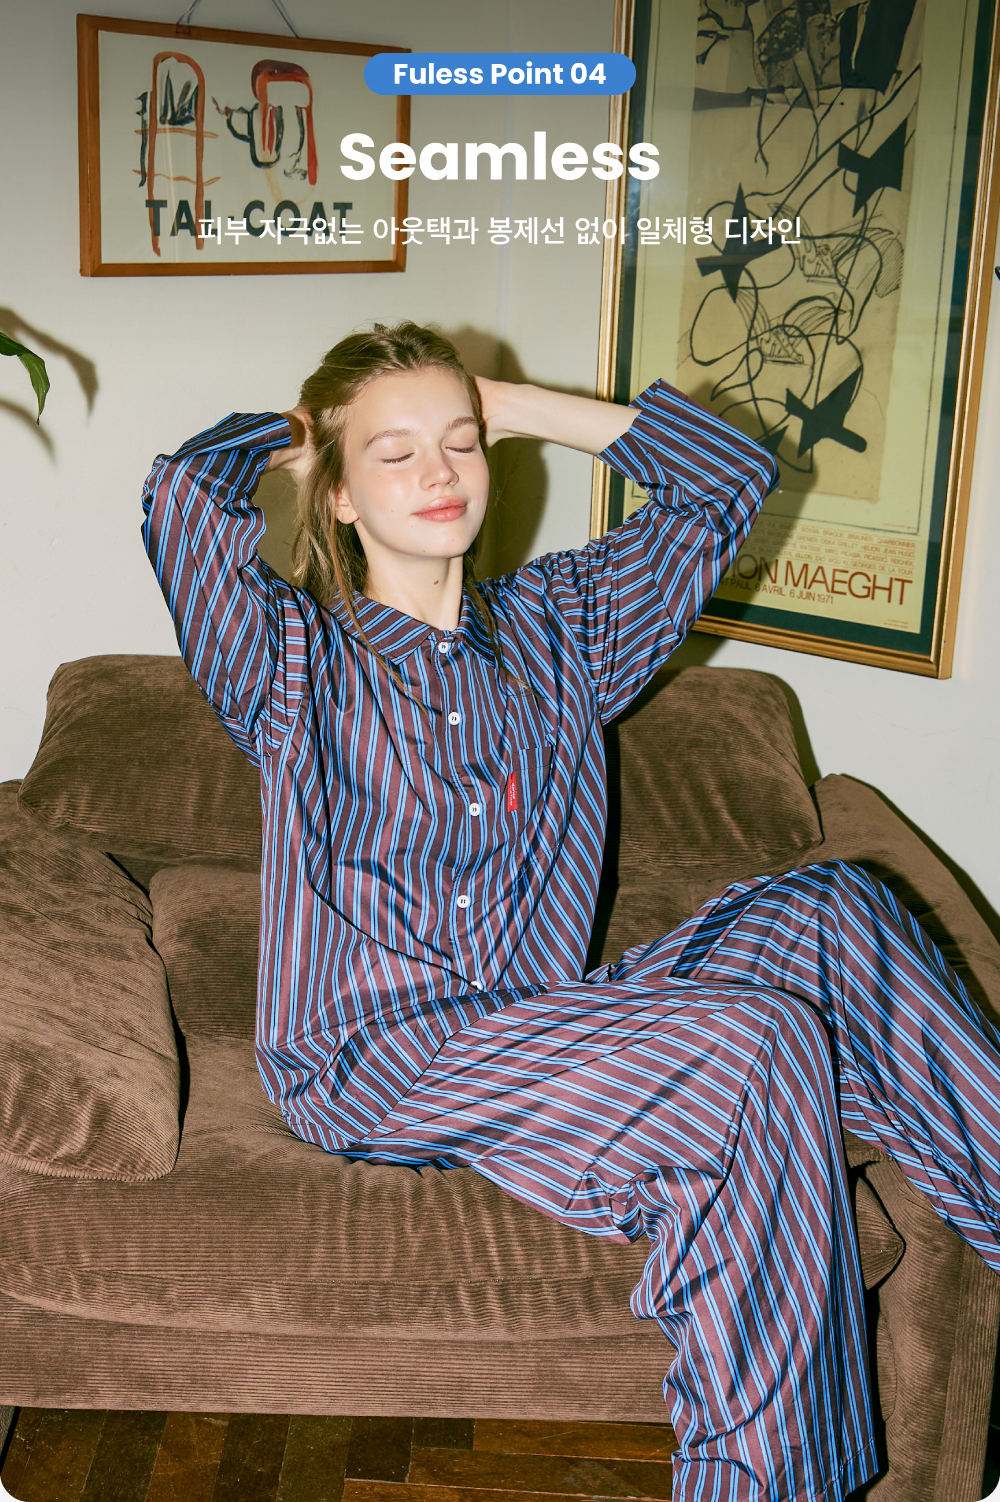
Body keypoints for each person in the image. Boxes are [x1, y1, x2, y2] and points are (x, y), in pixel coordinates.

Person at [143, 320, 1000, 1502]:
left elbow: (726, 482)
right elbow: (183, 503)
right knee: (749, 1045)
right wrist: (306, 429)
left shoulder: (561, 627)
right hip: (372, 1051)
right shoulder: (291, 661)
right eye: (394, 454)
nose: (438, 471)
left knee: (837, 905)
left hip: (547, 1015)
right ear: (336, 493)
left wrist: (510, 403)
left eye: (458, 444)